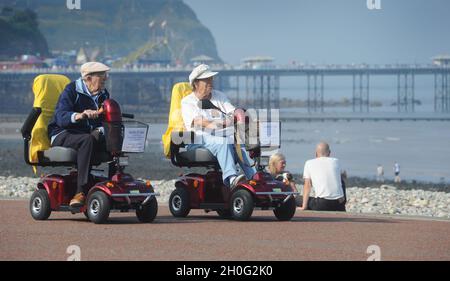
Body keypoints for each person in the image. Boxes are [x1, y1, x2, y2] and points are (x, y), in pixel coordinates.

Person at [181, 64, 256, 188]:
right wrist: (221, 124)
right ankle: (231, 178)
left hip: (223, 136)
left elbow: (232, 112)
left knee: (240, 143)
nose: (211, 82)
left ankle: (254, 178)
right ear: (196, 83)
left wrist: (238, 116)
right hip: (198, 140)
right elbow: (199, 122)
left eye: (211, 78)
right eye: (207, 79)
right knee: (223, 142)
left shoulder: (219, 96)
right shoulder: (187, 101)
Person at [48, 61, 110, 207]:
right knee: (87, 140)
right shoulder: (71, 90)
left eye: (106, 74)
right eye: (102, 75)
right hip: (62, 133)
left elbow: (103, 120)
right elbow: (61, 117)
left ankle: (112, 182)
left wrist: (103, 130)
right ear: (88, 78)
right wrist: (80, 115)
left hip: (84, 135)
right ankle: (79, 191)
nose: (105, 78)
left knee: (113, 137)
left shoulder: (103, 94)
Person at [298, 142, 346, 211]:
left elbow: (307, 186)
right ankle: (342, 204)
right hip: (339, 204)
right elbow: (343, 175)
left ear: (316, 153)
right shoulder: (336, 161)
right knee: (341, 180)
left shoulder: (309, 163)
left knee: (296, 199)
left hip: (322, 204)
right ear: (329, 152)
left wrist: (304, 206)